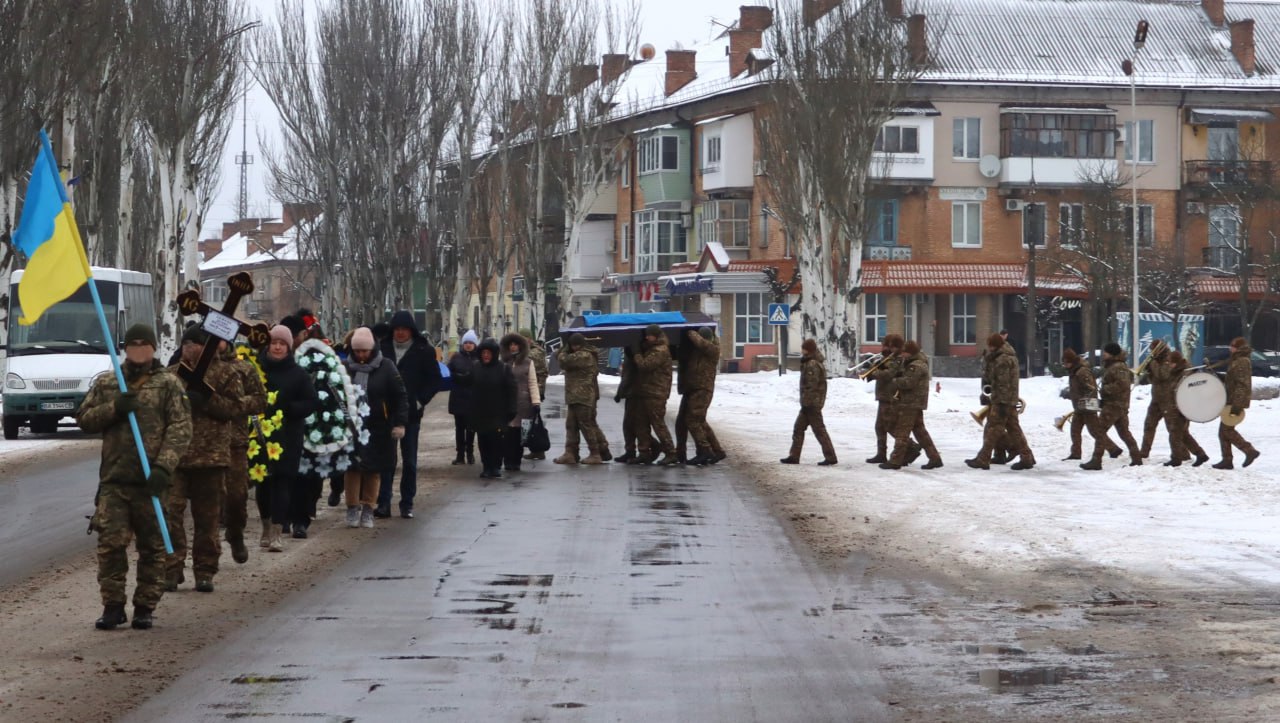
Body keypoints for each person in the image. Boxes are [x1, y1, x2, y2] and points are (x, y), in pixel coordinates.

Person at [76, 324, 191, 630]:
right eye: (133, 344)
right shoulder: (108, 382)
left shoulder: (168, 384)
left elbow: (180, 429)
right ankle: (113, 606)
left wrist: (164, 467)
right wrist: (114, 407)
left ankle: (145, 605)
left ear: (154, 348)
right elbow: (84, 419)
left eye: (145, 343)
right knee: (110, 545)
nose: (139, 349)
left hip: (151, 482)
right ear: (126, 348)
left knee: (152, 547)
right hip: (115, 481)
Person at [165, 327, 244, 593]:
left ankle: (205, 570)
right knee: (170, 514)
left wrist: (207, 400)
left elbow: (234, 408)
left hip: (210, 458)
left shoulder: (225, 373)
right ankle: (172, 567)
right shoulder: (171, 375)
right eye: (185, 343)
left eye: (195, 344)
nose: (189, 349)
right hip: (175, 458)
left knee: (207, 519)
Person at [257, 325, 318, 551]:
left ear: (289, 347)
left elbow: (311, 402)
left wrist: (290, 409)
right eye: (274, 343)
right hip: (260, 435)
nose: (278, 347)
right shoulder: (258, 369)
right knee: (263, 484)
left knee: (283, 482)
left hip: (288, 436)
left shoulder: (298, 374)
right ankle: (265, 525)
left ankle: (277, 531)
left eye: (282, 344)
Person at [377, 310, 442, 519]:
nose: (400, 333)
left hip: (411, 415)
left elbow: (435, 380)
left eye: (404, 329)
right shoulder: (382, 349)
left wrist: (419, 400)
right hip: (386, 412)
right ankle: (383, 502)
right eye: (397, 329)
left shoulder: (423, 350)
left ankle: (407, 503)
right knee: (387, 460)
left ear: (411, 330)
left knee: (410, 460)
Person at [344, 327, 409, 528]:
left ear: (372, 349)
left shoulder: (387, 366)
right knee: (352, 468)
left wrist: (399, 422)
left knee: (373, 469)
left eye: (364, 351)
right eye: (357, 351)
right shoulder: (345, 367)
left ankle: (368, 508)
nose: (361, 355)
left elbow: (400, 396)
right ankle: (352, 507)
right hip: (351, 426)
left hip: (378, 425)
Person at [223, 342, 267, 563]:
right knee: (204, 505)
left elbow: (260, 400)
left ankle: (235, 532)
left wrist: (236, 404)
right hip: (198, 447)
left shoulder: (243, 368)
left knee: (237, 496)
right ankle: (197, 562)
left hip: (234, 444)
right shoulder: (192, 368)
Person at [966, 333, 1035, 470]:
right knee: (1014, 430)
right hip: (1007, 399)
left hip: (1003, 400)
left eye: (990, 346)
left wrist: (1001, 402)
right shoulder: (1005, 356)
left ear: (995, 346)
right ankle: (1027, 457)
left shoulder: (1002, 359)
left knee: (992, 429)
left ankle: (983, 458)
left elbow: (1002, 383)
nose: (989, 348)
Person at [459, 338, 517, 478]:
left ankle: (496, 466)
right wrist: (453, 375)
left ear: (494, 354)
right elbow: (466, 381)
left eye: (488, 353)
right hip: (480, 412)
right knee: (483, 440)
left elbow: (511, 390)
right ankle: (486, 466)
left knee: (496, 440)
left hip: (498, 412)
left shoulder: (503, 368)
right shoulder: (476, 367)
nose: (486, 355)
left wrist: (511, 409)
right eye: (483, 352)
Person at [882, 340, 942, 470]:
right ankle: (935, 458)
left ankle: (895, 460)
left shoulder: (916, 365)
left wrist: (895, 380)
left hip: (910, 403)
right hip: (914, 402)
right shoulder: (913, 363)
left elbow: (909, 383)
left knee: (902, 432)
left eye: (903, 352)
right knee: (920, 433)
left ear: (909, 353)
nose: (901, 355)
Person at [1081, 342, 1142, 470]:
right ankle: (1136, 458)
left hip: (1114, 406)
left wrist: (1104, 390)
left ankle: (1096, 460)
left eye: (1106, 352)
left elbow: (1123, 385)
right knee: (1124, 433)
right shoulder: (1113, 366)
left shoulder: (1118, 367)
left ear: (1112, 354)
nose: (1103, 354)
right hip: (1116, 405)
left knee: (1100, 431)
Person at [554, 332, 611, 465]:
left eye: (576, 345)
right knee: (571, 425)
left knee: (586, 425)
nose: (575, 348)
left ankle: (595, 453)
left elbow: (563, 361)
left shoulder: (585, 355)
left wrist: (564, 350)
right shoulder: (581, 353)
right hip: (574, 395)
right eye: (572, 345)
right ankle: (570, 453)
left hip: (584, 396)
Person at [780, 338, 837, 465]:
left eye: (803, 348)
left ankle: (831, 457)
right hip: (809, 404)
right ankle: (794, 456)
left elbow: (812, 386)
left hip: (811, 404)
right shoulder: (810, 362)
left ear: (808, 350)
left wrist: (807, 403)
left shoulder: (812, 364)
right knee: (798, 428)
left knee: (819, 431)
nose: (801, 350)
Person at [632, 324, 679, 466]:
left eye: (649, 335)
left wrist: (637, 354)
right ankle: (644, 452)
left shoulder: (660, 350)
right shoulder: (653, 348)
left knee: (658, 424)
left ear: (656, 336)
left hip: (656, 393)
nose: (647, 337)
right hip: (648, 391)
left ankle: (671, 453)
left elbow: (645, 365)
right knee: (641, 423)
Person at [1061, 348, 1118, 464]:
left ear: (1072, 361)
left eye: (1066, 363)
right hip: (1080, 407)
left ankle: (1113, 449)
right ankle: (1076, 453)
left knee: (1095, 431)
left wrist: (1085, 401)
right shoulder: (1074, 371)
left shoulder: (1082, 372)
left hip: (1087, 406)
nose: (1065, 365)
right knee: (1075, 430)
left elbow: (1091, 388)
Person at [1214, 336, 1261, 470]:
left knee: (1226, 431)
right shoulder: (1237, 360)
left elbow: (1242, 385)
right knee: (1224, 431)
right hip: (1230, 401)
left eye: (1232, 346)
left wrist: (1237, 405)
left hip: (1234, 402)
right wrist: (1219, 376)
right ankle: (1227, 460)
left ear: (1237, 348)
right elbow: (1232, 380)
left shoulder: (1242, 361)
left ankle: (1249, 450)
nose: (1230, 348)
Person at [681, 327, 725, 466]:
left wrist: (690, 332)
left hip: (702, 389)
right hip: (697, 388)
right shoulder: (701, 350)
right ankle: (717, 451)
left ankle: (705, 450)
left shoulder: (712, 348)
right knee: (700, 421)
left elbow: (700, 342)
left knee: (692, 420)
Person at [1160, 351, 1209, 467]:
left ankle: (1176, 459)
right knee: (1184, 434)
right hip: (1175, 406)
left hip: (1182, 407)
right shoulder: (1177, 371)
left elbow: (1186, 389)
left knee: (1174, 434)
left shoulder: (1186, 373)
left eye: (1170, 363)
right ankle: (1201, 454)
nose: (1169, 365)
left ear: (1176, 363)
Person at [613, 346, 656, 463]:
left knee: (635, 424)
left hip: (636, 393)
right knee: (629, 424)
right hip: (632, 393)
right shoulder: (634, 354)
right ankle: (632, 451)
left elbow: (628, 377)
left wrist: (619, 393)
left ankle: (647, 449)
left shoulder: (634, 355)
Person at [448, 330, 480, 465]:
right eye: (466, 342)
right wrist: (457, 377)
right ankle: (460, 454)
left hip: (472, 398)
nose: (468, 345)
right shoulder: (456, 358)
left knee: (471, 428)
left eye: (471, 343)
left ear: (475, 344)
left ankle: (470, 453)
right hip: (458, 397)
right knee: (459, 428)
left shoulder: (478, 359)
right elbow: (449, 373)